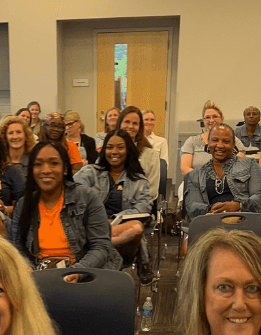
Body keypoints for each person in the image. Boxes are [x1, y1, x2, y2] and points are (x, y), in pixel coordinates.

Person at [11, 141, 118, 270]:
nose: (45, 170)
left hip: (84, 273)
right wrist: (27, 267)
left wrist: (77, 271)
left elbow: (101, 246)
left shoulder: (87, 197)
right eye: (38, 164)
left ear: (65, 169)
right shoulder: (23, 204)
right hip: (39, 275)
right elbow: (18, 247)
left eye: (54, 163)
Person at [74, 129, 152, 275]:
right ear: (104, 150)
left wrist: (112, 221)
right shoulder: (89, 172)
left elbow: (143, 209)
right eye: (109, 147)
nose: (114, 151)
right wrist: (97, 222)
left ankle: (95, 249)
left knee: (136, 227)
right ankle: (101, 254)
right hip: (90, 228)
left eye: (120, 147)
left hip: (120, 234)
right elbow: (73, 198)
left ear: (128, 150)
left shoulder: (139, 181)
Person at [183, 122, 261, 219]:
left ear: (233, 145)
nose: (219, 145)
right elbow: (192, 206)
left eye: (226, 142)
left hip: (246, 221)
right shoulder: (196, 174)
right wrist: (212, 209)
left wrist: (238, 206)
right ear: (208, 143)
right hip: (210, 222)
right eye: (215, 140)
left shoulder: (250, 165)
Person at [180, 101, 248, 177]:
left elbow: (238, 166)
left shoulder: (234, 141)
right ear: (203, 121)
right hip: (196, 182)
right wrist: (205, 180)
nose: (211, 120)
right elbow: (185, 169)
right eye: (207, 117)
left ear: (222, 119)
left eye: (215, 116)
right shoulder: (192, 141)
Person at [118, 106, 161, 203]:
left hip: (137, 208)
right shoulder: (110, 150)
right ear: (119, 124)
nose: (130, 126)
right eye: (127, 122)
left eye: (135, 123)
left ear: (139, 128)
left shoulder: (150, 155)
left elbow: (152, 192)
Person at [0, 115, 36, 183]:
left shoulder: (34, 160)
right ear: (5, 137)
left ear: (25, 135)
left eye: (18, 132)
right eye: (10, 133)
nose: (15, 137)